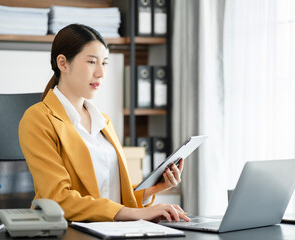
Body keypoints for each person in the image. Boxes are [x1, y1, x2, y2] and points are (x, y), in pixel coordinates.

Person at [19, 24, 189, 223]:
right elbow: (59, 199)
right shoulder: (38, 119)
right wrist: (136, 214)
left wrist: (154, 189)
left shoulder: (103, 121)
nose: (101, 73)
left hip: (110, 229)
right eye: (92, 62)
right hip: (69, 231)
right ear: (63, 63)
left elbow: (111, 197)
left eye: (105, 63)